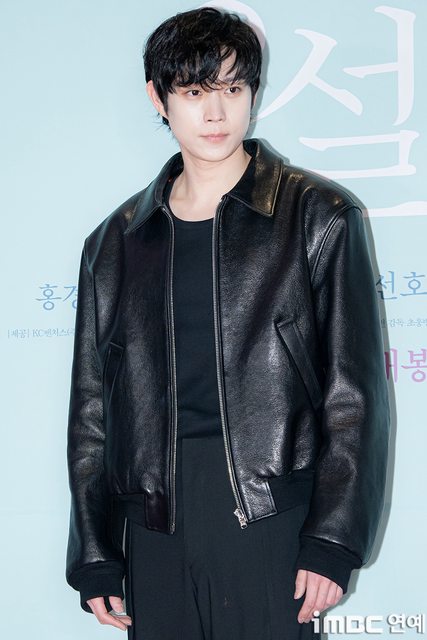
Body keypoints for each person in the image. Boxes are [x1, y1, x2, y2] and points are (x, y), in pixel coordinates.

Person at [65, 7, 390, 639]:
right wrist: (96, 553)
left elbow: (353, 396)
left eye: (233, 89)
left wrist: (332, 539)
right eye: (194, 93)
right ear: (158, 99)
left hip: (271, 515)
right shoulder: (114, 243)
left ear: (252, 94)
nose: (216, 113)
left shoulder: (318, 217)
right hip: (153, 526)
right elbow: (91, 412)